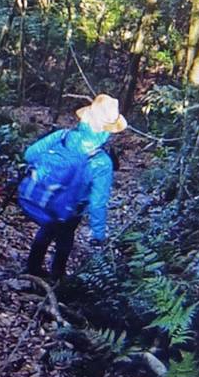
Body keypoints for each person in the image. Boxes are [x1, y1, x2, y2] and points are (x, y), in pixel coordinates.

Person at [20, 94, 127, 281]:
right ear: (107, 130)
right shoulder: (101, 162)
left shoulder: (62, 136)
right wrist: (98, 234)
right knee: (65, 238)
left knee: (46, 229)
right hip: (69, 211)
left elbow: (29, 155)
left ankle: (32, 268)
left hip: (43, 198)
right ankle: (57, 278)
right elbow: (97, 202)